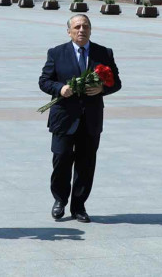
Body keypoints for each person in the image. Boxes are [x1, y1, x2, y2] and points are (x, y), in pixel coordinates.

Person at [38, 14, 121, 223]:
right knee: (61, 160)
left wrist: (102, 88)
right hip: (64, 118)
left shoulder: (103, 53)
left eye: (85, 26)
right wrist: (60, 88)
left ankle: (79, 206)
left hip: (90, 119)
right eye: (77, 27)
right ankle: (59, 200)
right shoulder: (57, 53)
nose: (81, 30)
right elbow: (44, 81)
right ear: (69, 31)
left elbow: (116, 82)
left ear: (91, 30)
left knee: (86, 164)